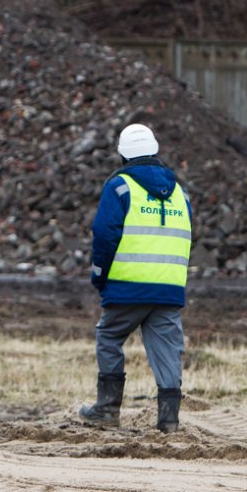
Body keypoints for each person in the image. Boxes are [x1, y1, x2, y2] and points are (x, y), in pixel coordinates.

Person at [78, 123, 192, 433]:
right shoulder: (180, 192)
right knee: (168, 351)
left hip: (128, 288)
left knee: (109, 337)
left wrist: (100, 275)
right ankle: (169, 420)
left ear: (123, 155)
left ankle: (107, 408)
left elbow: (104, 234)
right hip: (168, 289)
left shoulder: (120, 186)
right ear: (155, 150)